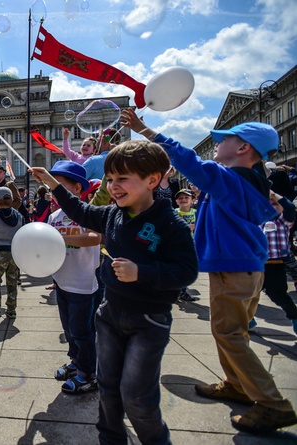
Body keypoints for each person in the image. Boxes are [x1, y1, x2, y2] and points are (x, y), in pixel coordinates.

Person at [121, 108, 297, 434]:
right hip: (245, 266)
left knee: (229, 333)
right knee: (230, 331)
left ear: (243, 147)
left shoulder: (227, 177)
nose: (216, 145)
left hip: (232, 266)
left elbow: (188, 159)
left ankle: (273, 403)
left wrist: (145, 130)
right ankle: (237, 384)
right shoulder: (253, 181)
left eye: (224, 140)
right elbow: (282, 205)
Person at [31, 139, 198, 445]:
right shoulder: (111, 215)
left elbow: (187, 271)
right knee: (107, 388)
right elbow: (78, 209)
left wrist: (142, 272)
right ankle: (110, 439)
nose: (114, 186)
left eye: (123, 179)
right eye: (110, 179)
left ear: (153, 180)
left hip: (148, 322)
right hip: (108, 315)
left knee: (136, 396)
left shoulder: (170, 224)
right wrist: (52, 183)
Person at [42, 161, 102, 396]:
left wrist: (63, 238)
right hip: (62, 282)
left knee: (82, 330)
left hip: (82, 284)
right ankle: (76, 362)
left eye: (60, 186)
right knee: (69, 330)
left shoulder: (87, 211)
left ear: (77, 189)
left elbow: (95, 237)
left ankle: (88, 374)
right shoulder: (55, 215)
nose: (54, 192)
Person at [251, 191, 297, 334]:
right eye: (269, 204)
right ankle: (247, 319)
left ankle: (295, 317)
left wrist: (272, 194)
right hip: (257, 265)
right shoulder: (259, 221)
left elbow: (289, 208)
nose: (272, 207)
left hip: (275, 265)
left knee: (278, 295)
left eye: (275, 205)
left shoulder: (284, 221)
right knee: (249, 294)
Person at [0, 186, 23, 321]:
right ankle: (11, 310)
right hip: (15, 253)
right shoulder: (19, 216)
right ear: (12, 200)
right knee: (12, 281)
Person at [174, 188, 199, 302]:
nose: (183, 199)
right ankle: (180, 291)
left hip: (191, 244)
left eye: (186, 197)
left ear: (192, 200)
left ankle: (181, 291)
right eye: (180, 198)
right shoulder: (174, 212)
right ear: (176, 201)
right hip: (178, 244)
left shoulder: (196, 213)